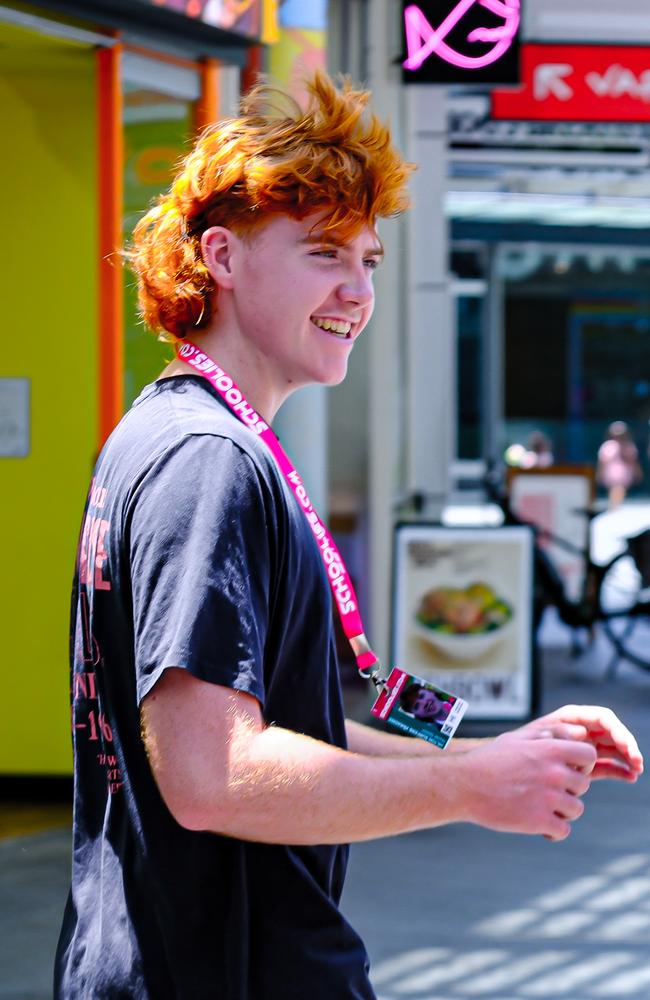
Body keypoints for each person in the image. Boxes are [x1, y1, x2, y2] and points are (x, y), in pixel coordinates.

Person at [54, 71, 643, 999]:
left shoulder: (179, 433)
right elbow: (212, 776)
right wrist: (468, 788)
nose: (357, 292)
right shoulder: (208, 458)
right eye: (325, 254)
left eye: (368, 261)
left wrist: (488, 763)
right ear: (223, 257)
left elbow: (290, 730)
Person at [597, 420, 642, 509]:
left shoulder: (628, 446)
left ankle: (614, 507)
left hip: (623, 473)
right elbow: (602, 462)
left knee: (618, 490)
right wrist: (600, 473)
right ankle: (614, 507)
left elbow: (633, 461)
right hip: (611, 473)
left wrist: (637, 472)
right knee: (616, 490)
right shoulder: (608, 446)